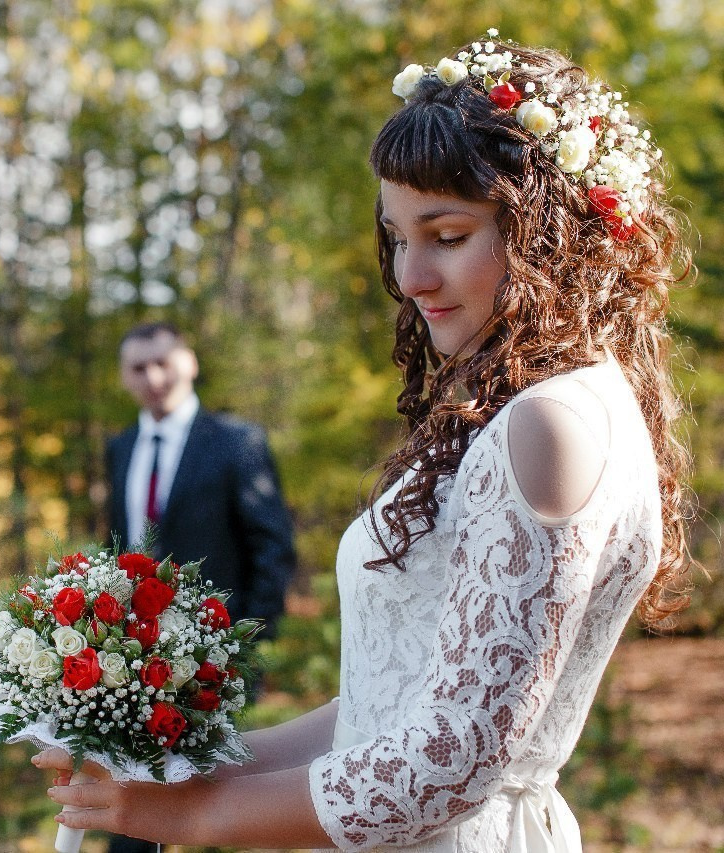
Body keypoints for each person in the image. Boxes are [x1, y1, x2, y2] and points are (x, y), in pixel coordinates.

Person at [36, 32, 693, 851]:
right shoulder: (556, 406)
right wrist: (177, 765)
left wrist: (191, 817)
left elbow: (448, 764)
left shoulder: (549, 424)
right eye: (399, 236)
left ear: (550, 232)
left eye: (447, 235)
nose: (411, 276)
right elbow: (387, 706)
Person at [103, 322, 299, 853]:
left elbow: (273, 549)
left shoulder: (237, 443)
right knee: (131, 814)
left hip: (212, 665)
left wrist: (245, 652)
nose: (153, 376)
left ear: (189, 361)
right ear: (125, 377)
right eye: (138, 367)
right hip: (128, 669)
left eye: (163, 361)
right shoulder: (120, 448)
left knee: (209, 815)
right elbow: (115, 552)